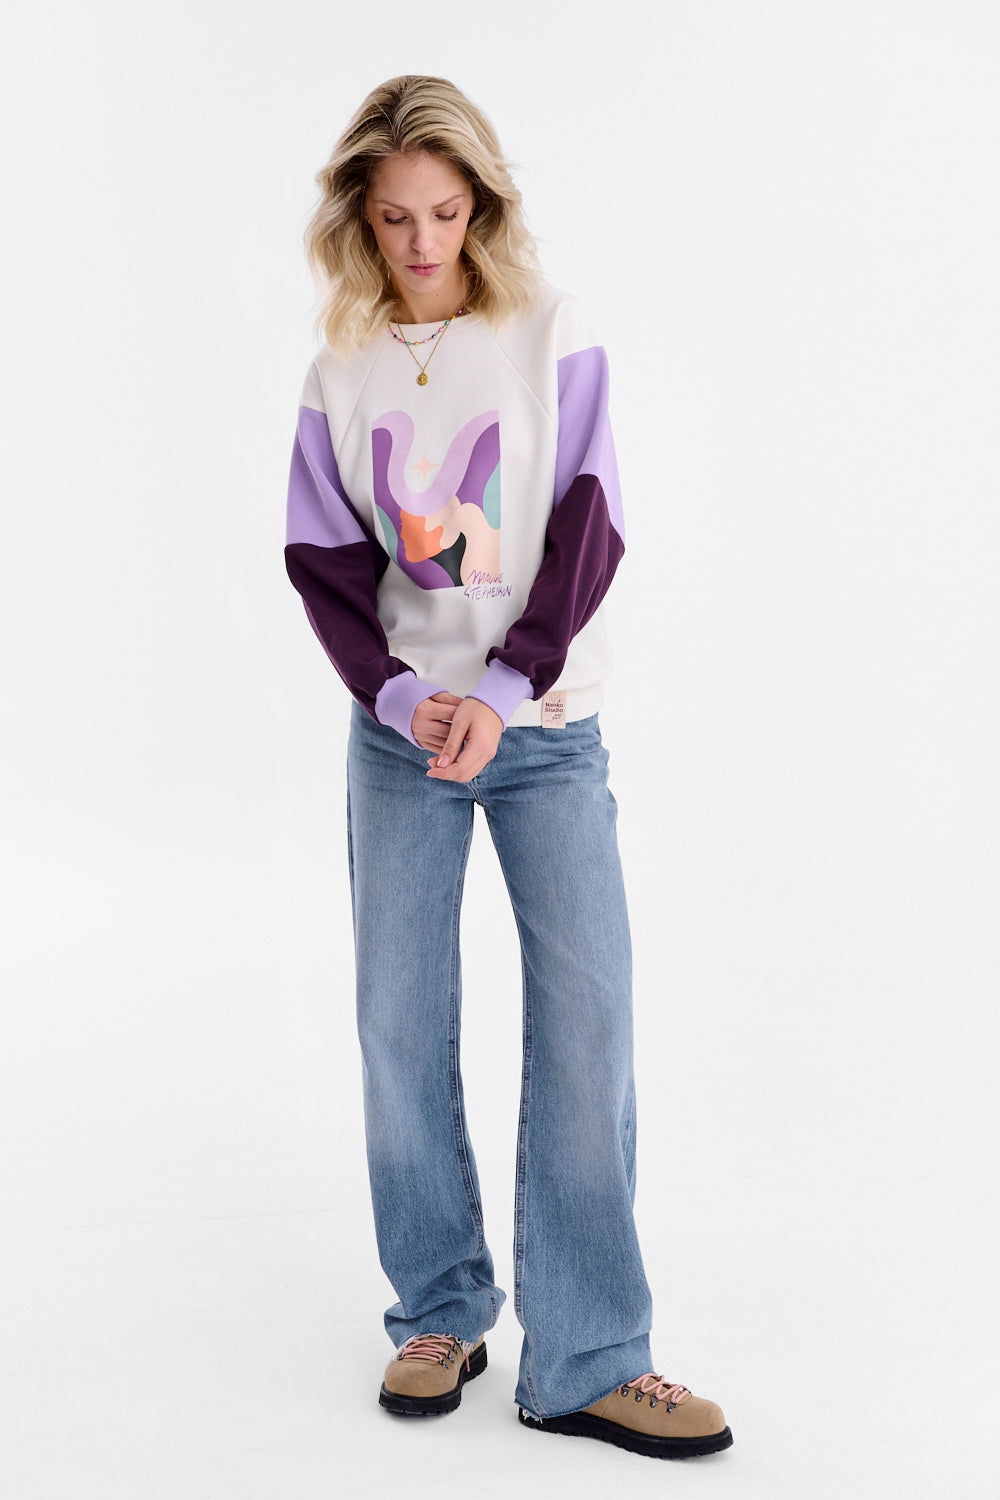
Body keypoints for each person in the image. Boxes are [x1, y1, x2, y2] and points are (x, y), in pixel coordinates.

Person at [284, 74, 732, 1461]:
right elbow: (323, 560)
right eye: (396, 217)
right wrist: (404, 692)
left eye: (446, 211)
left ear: (481, 205)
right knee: (398, 1022)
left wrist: (506, 683)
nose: (423, 241)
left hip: (543, 731)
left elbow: (592, 524)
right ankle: (440, 1309)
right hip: (400, 738)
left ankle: (590, 1354)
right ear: (360, 219)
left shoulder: (548, 333)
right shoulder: (340, 367)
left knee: (590, 1020)